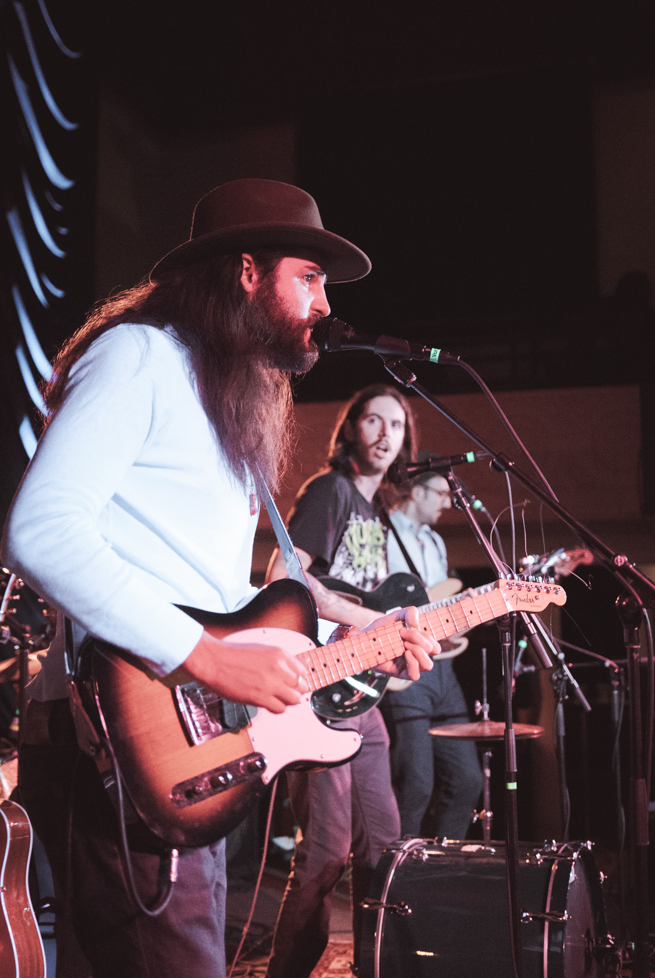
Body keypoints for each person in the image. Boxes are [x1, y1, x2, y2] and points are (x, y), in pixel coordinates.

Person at [0, 180, 438, 978]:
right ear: (246, 272)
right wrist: (201, 656)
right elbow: (40, 530)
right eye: (308, 276)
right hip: (121, 734)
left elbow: (218, 599)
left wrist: (345, 640)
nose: (322, 300)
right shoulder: (139, 356)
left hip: (190, 740)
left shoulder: (225, 394)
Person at [265, 383, 428, 978]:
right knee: (325, 855)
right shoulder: (329, 492)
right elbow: (283, 578)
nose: (387, 435)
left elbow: (374, 599)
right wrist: (367, 622)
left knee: (386, 851)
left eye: (398, 425)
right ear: (350, 429)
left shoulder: (377, 513)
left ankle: (378, 965)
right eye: (374, 421)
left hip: (364, 695)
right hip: (319, 693)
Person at [382, 470, 484, 838]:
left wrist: (468, 609)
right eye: (440, 493)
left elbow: (438, 606)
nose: (446, 501)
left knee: (468, 780)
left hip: (443, 669)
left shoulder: (436, 543)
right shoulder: (382, 531)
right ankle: (397, 875)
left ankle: (441, 869)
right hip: (405, 664)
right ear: (417, 491)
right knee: (416, 785)